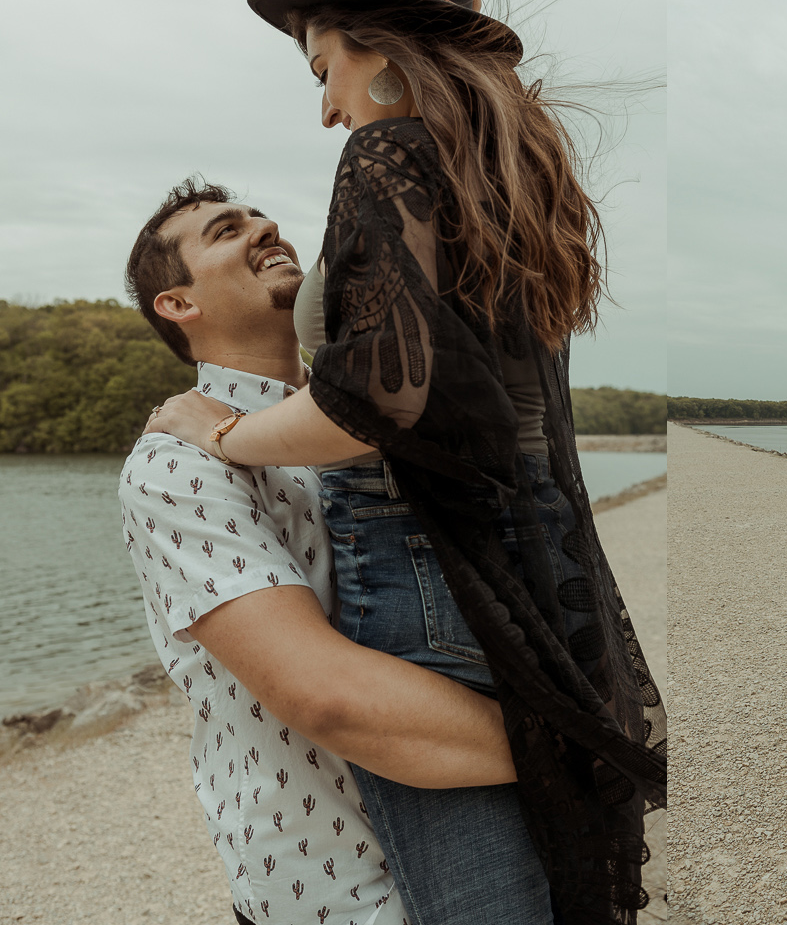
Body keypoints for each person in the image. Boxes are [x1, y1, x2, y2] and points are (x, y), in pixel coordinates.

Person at [146, 0, 667, 922]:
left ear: (375, 42)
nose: (329, 107)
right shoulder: (511, 170)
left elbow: (377, 400)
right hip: (528, 555)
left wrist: (222, 436)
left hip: (419, 555)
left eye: (323, 69)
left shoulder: (384, 150)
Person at [121, 179, 521, 925]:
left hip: (487, 834)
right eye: (226, 229)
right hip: (340, 890)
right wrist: (563, 751)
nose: (264, 226)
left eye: (260, 215)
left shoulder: (373, 420)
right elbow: (325, 698)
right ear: (177, 304)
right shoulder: (176, 467)